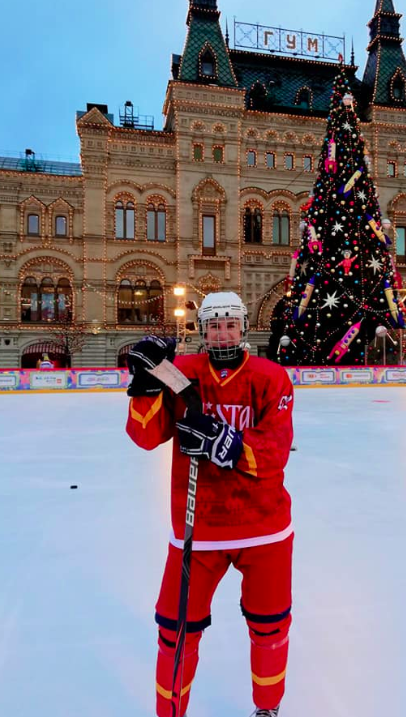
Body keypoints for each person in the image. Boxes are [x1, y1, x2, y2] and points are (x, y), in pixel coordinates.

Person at [126, 292, 295, 717]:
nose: (223, 333)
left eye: (230, 324)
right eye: (214, 325)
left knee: (270, 625)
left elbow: (276, 449)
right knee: (174, 631)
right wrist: (146, 386)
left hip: (264, 526)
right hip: (197, 531)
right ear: (202, 330)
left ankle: (268, 707)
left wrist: (227, 443)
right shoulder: (181, 373)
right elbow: (144, 436)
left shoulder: (271, 376)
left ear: (243, 328)